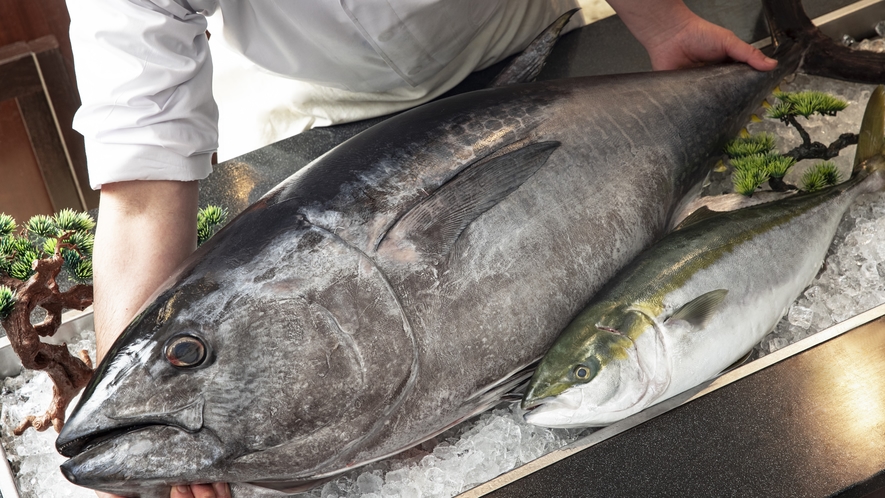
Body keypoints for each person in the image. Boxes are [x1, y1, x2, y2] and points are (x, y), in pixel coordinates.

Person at [65, 1, 777, 497]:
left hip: (521, 48)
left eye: (189, 357)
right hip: (316, 111)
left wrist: (666, 25)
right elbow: (141, 179)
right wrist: (136, 442)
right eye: (191, 356)